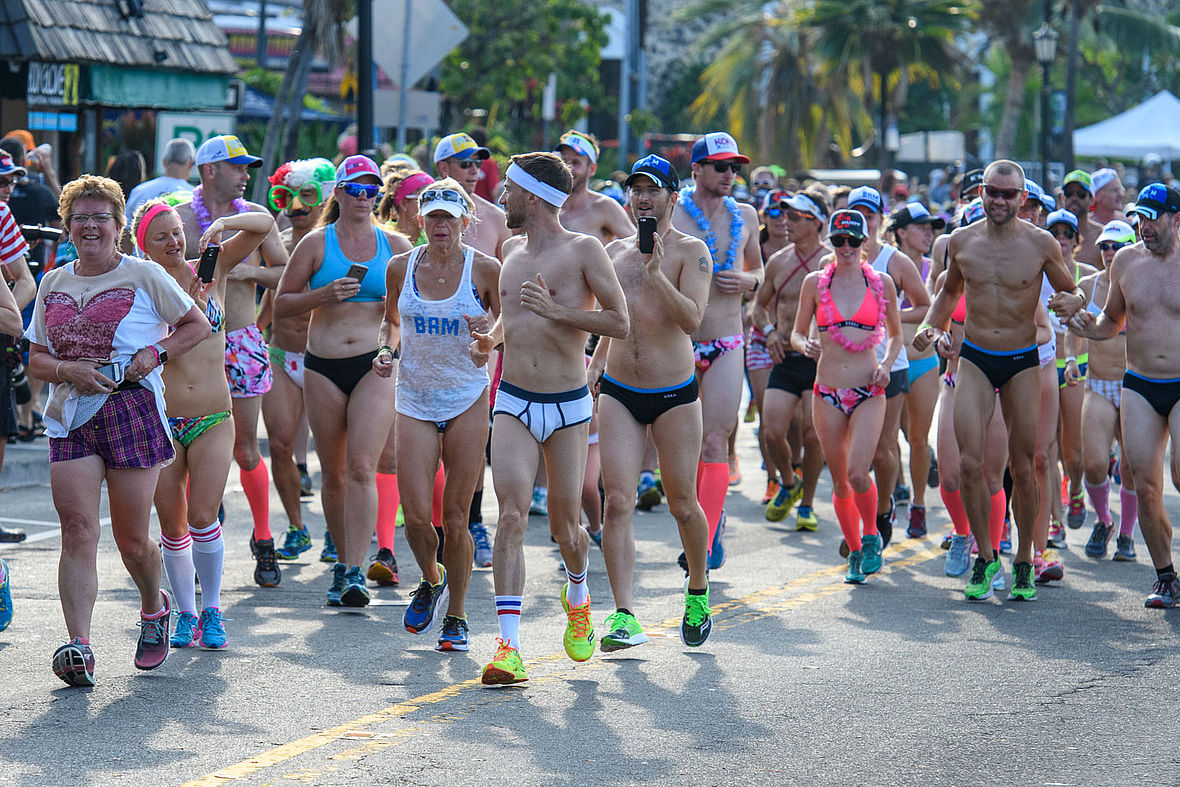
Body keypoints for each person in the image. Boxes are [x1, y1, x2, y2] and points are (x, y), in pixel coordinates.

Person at [25, 174, 210, 686]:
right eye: (79, 218)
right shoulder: (53, 283)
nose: (90, 226)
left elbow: (197, 325)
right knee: (78, 529)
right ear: (67, 227)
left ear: (118, 225)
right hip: (71, 417)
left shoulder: (145, 275)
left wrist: (155, 353)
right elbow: (38, 358)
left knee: (132, 540)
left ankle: (155, 605)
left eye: (99, 217)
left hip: (130, 410)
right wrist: (70, 370)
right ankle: (78, 645)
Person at [470, 152, 628, 685]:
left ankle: (579, 594)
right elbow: (508, 320)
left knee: (567, 529)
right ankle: (508, 649)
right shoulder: (510, 250)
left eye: (509, 191)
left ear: (532, 196)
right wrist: (486, 339)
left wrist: (559, 313)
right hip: (512, 398)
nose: (501, 199)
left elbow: (619, 321)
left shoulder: (584, 250)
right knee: (511, 515)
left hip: (567, 406)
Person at [914, 160, 1084, 602]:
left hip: (1023, 361)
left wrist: (1073, 302)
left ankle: (1025, 557)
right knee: (970, 464)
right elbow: (949, 294)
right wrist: (930, 327)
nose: (1000, 200)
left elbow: (1072, 290)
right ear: (981, 194)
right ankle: (986, 558)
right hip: (975, 358)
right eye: (992, 191)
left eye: (1009, 194)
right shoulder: (962, 242)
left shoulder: (1041, 243)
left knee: (1023, 466)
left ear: (1022, 198)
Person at [133, 198, 274, 645]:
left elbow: (264, 226)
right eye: (162, 236)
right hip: (161, 419)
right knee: (172, 525)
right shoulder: (138, 286)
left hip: (213, 415)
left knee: (202, 515)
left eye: (177, 231)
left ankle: (213, 610)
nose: (174, 241)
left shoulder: (210, 271)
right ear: (144, 248)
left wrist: (224, 224)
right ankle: (187, 615)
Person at [275, 155, 412, 607]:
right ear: (338, 192)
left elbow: (401, 315)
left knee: (361, 467)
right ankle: (342, 564)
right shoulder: (316, 243)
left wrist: (391, 349)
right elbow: (281, 305)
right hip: (323, 366)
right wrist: (321, 295)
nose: (363, 197)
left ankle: (355, 569)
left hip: (374, 365)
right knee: (332, 472)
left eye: (371, 190)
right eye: (354, 189)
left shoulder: (394, 245)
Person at [589, 154, 714, 651]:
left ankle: (699, 592)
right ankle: (623, 614)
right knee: (616, 500)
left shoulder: (691, 251)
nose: (643, 197)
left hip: (674, 393)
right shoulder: (613, 252)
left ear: (672, 196)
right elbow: (614, 317)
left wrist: (657, 272)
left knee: (682, 503)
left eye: (653, 189)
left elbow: (693, 320)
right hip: (620, 388)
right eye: (636, 188)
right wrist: (596, 362)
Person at [374, 179, 501, 651]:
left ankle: (457, 616)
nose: (441, 225)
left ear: (466, 221)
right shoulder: (399, 267)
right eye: (433, 216)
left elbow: (507, 324)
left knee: (457, 515)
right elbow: (391, 321)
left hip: (467, 396)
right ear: (419, 220)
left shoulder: (485, 269)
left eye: (450, 217)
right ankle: (432, 577)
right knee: (415, 519)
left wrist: (488, 335)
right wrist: (386, 351)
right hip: (414, 398)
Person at [175, 135, 290, 586]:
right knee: (185, 449)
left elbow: (283, 271)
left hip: (240, 337)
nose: (246, 175)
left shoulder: (257, 219)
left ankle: (264, 541)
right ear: (209, 170)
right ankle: (193, 539)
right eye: (237, 166)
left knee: (245, 449)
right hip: (191, 345)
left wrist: (247, 270)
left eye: (248, 167)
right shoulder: (180, 217)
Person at [1068, 183, 1180, 608]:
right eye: (1140, 217)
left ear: (1177, 219)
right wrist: (1079, 323)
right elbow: (1108, 323)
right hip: (1140, 383)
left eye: (1153, 217)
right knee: (1144, 483)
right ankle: (1166, 577)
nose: (1144, 226)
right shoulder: (1127, 264)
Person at [790, 210, 902, 583]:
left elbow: (897, 336)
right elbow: (795, 332)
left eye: (854, 241)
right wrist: (802, 343)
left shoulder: (881, 282)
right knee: (839, 480)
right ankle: (854, 551)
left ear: (865, 242)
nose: (847, 247)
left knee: (858, 472)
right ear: (831, 242)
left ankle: (871, 534)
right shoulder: (814, 283)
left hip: (869, 390)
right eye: (839, 241)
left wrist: (886, 363)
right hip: (827, 393)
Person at [671, 132, 762, 568]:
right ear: (697, 170)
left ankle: (705, 543)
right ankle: (699, 524)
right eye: (722, 167)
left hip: (727, 340)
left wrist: (748, 281)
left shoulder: (746, 214)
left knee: (715, 440)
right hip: (678, 343)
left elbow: (759, 270)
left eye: (735, 168)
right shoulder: (673, 214)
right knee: (684, 449)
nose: (730, 175)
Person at [259, 158, 338, 564]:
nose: (295, 207)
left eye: (306, 197)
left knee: (332, 454)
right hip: (281, 353)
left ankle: (336, 533)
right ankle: (296, 527)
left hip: (327, 358)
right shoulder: (279, 243)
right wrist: (256, 331)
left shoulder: (336, 243)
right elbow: (274, 298)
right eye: (286, 197)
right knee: (280, 444)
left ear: (324, 197)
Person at [846, 186, 929, 546]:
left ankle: (881, 513)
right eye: (857, 214)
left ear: (882, 220)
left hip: (889, 365)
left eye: (872, 215)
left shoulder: (895, 261)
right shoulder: (834, 259)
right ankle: (860, 523)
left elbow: (925, 307)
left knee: (883, 446)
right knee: (852, 453)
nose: (865, 221)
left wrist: (886, 317)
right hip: (847, 367)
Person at [753, 189, 830, 530]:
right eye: (786, 215)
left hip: (818, 361)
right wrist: (769, 331)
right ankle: (788, 483)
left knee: (815, 437)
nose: (786, 222)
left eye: (796, 217)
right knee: (771, 432)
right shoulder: (779, 261)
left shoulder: (832, 260)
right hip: (785, 356)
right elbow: (759, 305)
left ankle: (808, 504)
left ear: (816, 223)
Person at [1076, 219, 1138, 561]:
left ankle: (1127, 535)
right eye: (1104, 246)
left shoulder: (1142, 283)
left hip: (1134, 387)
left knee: (1130, 468)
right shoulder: (1088, 284)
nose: (1110, 252)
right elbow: (1070, 319)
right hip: (1097, 384)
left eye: (1116, 246)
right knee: (1095, 463)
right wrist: (1071, 357)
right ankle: (1104, 521)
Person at [889, 202, 944, 537]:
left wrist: (934, 331)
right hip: (890, 362)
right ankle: (897, 488)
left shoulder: (935, 272)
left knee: (919, 439)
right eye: (921, 226)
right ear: (901, 233)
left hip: (923, 363)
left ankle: (919, 506)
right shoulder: (883, 267)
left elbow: (941, 315)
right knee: (889, 437)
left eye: (931, 227)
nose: (928, 233)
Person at [433, 133, 510, 259]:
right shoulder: (422, 213)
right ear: (444, 168)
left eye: (478, 163)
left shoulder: (497, 218)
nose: (475, 171)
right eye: (466, 163)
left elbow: (505, 275)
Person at [555, 130, 634, 244]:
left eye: (576, 162)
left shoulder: (604, 207)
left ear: (591, 169)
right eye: (563, 161)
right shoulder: (548, 206)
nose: (568, 168)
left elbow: (637, 248)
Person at [124, 137, 196, 222]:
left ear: (164, 162)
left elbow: (126, 227)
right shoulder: (194, 197)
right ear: (191, 164)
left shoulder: (139, 191)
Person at [1060, 170, 1104, 268]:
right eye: (1069, 193)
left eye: (1081, 194)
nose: (1074, 198)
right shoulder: (1051, 234)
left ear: (1092, 199)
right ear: (1063, 198)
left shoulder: (1102, 236)